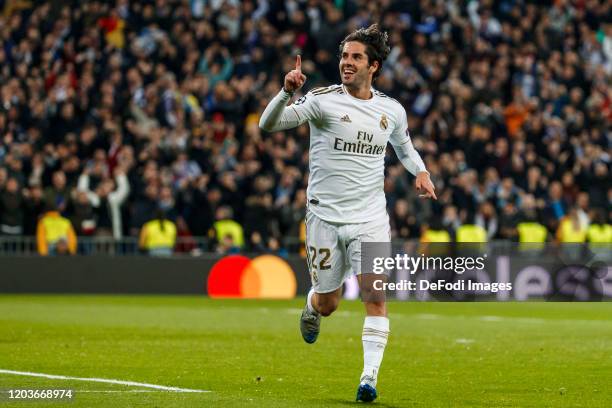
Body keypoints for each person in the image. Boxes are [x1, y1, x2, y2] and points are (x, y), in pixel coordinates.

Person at [259, 24, 436, 403]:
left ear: (374, 66)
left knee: (375, 296)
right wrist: (286, 93)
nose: (347, 63)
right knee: (329, 303)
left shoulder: (391, 110)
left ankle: (368, 379)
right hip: (324, 217)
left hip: (370, 218)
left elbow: (403, 147)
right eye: (344, 56)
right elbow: (268, 125)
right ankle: (311, 305)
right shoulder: (322, 100)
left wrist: (420, 171)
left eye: (356, 57)